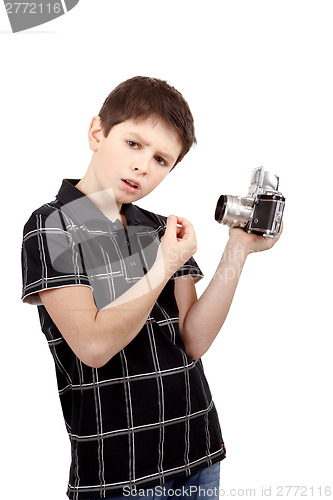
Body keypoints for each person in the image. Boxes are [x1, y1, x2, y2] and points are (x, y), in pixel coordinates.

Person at [21, 76, 282, 500]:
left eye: (162, 160)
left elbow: (192, 341)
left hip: (198, 453)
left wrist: (238, 250)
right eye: (134, 144)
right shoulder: (53, 226)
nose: (143, 166)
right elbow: (92, 346)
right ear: (97, 133)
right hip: (119, 471)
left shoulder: (160, 228)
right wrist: (164, 264)